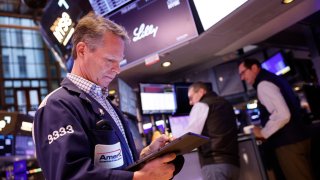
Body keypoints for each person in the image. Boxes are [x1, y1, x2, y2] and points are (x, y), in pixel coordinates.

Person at [32, 12, 183, 180]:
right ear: (82, 50)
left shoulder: (105, 102)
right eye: (110, 60)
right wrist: (141, 178)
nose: (117, 70)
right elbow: (69, 175)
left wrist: (145, 156)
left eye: (119, 62)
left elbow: (115, 166)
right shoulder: (57, 106)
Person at [238, 58, 314, 180]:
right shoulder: (275, 78)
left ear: (254, 68)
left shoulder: (263, 84)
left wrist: (263, 132)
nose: (242, 78)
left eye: (243, 72)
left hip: (288, 143)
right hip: (301, 137)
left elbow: (283, 114)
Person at [185, 82, 240, 180]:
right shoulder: (226, 103)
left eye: (191, 97)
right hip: (234, 164)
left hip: (214, 164)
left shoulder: (201, 105)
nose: (190, 102)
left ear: (201, 92)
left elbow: (191, 136)